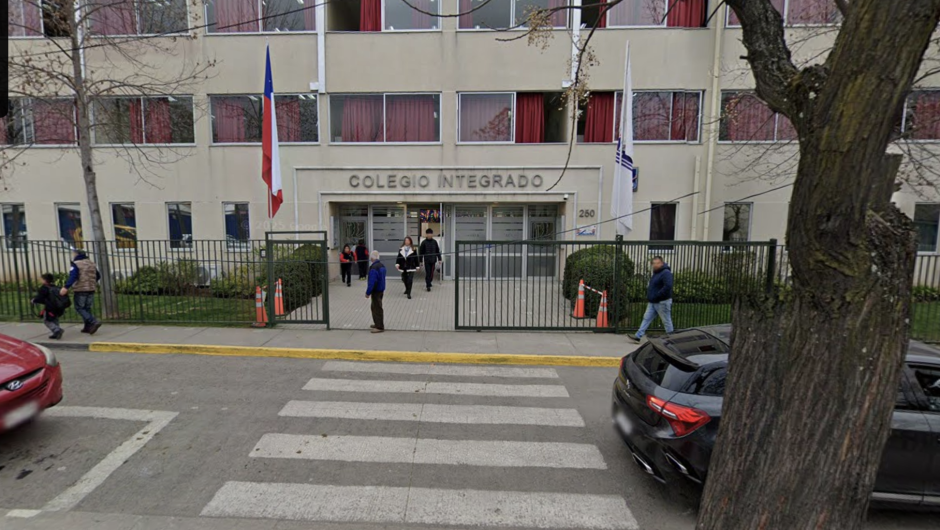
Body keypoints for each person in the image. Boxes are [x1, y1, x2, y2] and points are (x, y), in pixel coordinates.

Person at [629, 256, 674, 343]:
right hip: (653, 301)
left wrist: (658, 295)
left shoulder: (666, 273)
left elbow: (668, 286)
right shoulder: (656, 273)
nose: (655, 265)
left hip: (662, 301)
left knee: (666, 321)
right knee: (646, 318)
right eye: (654, 263)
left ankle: (672, 338)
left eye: (657, 263)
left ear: (662, 263)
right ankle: (638, 336)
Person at [61, 248, 102, 335]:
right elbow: (98, 275)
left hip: (81, 289)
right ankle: (88, 327)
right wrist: (91, 283)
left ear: (77, 254)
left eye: (73, 253)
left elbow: (73, 276)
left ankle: (93, 321)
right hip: (91, 289)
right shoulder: (91, 263)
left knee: (79, 307)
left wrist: (66, 287)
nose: (73, 255)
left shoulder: (76, 264)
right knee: (87, 308)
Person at [32, 273, 69, 340]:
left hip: (50, 308)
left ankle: (57, 330)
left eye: (42, 279)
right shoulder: (56, 287)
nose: (40, 280)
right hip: (58, 307)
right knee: (55, 319)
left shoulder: (44, 288)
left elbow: (40, 298)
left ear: (45, 280)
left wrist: (34, 300)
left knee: (47, 320)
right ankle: (56, 333)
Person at [365, 250, 387, 333]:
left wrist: (368, 292)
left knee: (377, 308)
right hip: (381, 289)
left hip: (376, 290)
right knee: (375, 307)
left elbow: (372, 281)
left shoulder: (373, 268)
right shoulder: (382, 265)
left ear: (372, 258)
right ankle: (377, 323)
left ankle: (379, 326)